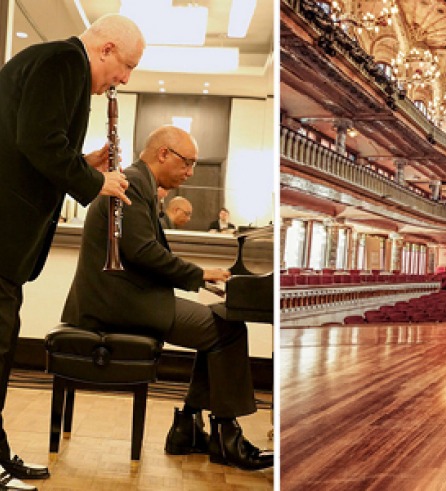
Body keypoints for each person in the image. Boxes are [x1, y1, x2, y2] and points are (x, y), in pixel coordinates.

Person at [61, 125, 273, 471]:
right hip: (117, 304)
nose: (190, 173)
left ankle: (189, 427)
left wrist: (199, 278)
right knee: (227, 330)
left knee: (222, 324)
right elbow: (142, 251)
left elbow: (143, 251)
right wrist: (199, 274)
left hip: (126, 297)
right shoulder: (130, 184)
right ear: (163, 154)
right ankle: (224, 435)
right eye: (187, 163)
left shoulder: (141, 184)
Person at [0, 13, 143, 487]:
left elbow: (29, 150)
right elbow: (38, 141)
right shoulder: (65, 60)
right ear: (105, 49)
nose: (124, 79)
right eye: (126, 66)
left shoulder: (57, 64)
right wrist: (95, 180)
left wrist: (82, 163)